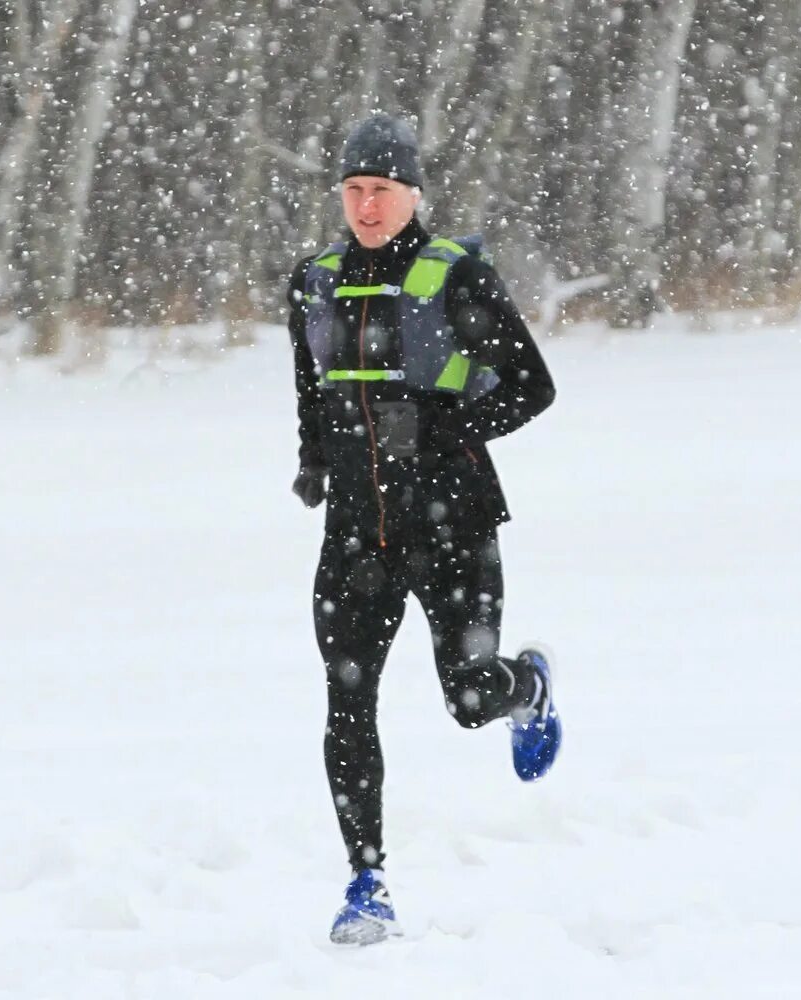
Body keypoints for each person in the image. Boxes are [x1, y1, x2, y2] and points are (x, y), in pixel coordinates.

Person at [286, 113, 562, 946]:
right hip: (356, 532)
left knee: (469, 699)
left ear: (412, 193)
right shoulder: (315, 280)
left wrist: (448, 428)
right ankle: (365, 883)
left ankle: (526, 689)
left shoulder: (457, 277)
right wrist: (313, 460)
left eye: (381, 189)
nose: (366, 206)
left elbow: (532, 386)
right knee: (347, 702)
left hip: (452, 522)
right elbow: (311, 387)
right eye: (353, 190)